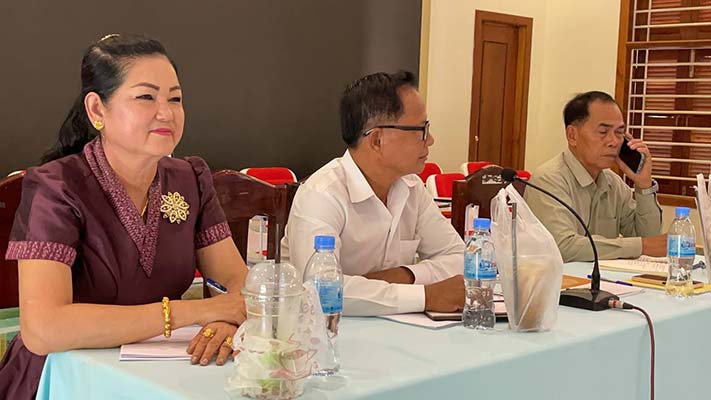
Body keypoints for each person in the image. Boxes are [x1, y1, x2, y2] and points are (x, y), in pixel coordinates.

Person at [0, 34, 248, 399]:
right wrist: (192, 312)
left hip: (160, 373)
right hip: (67, 376)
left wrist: (227, 320)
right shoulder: (57, 187)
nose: (166, 113)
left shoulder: (190, 178)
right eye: (146, 97)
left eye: (175, 99)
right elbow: (43, 329)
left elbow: (238, 282)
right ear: (97, 110)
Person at [282, 71, 465, 316]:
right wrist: (426, 296)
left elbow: (459, 257)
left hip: (397, 325)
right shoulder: (321, 195)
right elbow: (320, 289)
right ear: (377, 140)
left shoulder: (412, 188)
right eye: (421, 129)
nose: (430, 140)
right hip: (326, 331)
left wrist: (406, 275)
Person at [525, 91, 665, 262]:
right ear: (572, 135)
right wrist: (640, 246)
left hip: (606, 277)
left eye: (619, 132)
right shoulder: (547, 180)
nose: (614, 141)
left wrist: (644, 185)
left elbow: (650, 239)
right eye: (603, 132)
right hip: (563, 278)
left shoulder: (613, 182)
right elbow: (562, 247)